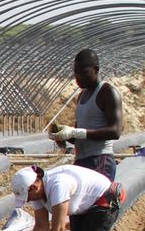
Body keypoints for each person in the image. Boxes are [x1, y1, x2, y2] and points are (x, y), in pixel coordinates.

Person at [49, 48, 123, 180]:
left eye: (83, 72)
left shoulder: (107, 92)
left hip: (100, 160)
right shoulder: (82, 96)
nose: (78, 77)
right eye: (76, 72)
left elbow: (115, 131)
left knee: (98, 201)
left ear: (96, 69)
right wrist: (63, 135)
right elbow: (80, 135)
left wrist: (76, 132)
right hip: (82, 160)